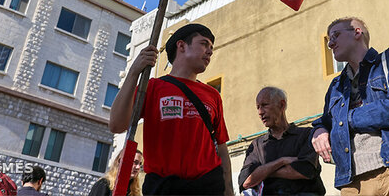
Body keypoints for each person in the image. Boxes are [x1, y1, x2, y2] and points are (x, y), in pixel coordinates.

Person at [109, 23, 233, 195]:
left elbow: (221, 146)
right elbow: (116, 124)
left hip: (208, 186)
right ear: (181, 45)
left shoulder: (213, 95)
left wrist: (229, 190)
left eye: (212, 47)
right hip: (163, 187)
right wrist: (133, 72)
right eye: (204, 44)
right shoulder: (151, 87)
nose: (210, 51)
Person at [311, 17, 389, 196]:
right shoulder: (336, 85)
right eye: (329, 40)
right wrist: (318, 130)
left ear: (357, 32)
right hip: (352, 184)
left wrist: (348, 119)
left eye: (335, 35)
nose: (330, 44)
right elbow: (325, 121)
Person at [238, 87, 326, 196]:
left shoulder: (306, 134)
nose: (260, 112)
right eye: (257, 107)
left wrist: (262, 172)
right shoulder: (257, 145)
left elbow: (305, 170)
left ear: (281, 105)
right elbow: (246, 181)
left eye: (265, 105)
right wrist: (282, 161)